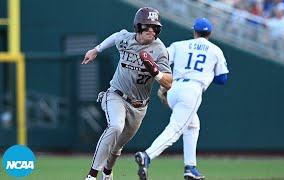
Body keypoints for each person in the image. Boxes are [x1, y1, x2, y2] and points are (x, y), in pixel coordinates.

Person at [82, 7, 172, 180]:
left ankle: (107, 172)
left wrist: (155, 71)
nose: (152, 30)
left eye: (155, 27)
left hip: (139, 106)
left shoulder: (160, 49)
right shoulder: (126, 39)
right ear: (138, 26)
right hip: (117, 95)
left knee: (117, 147)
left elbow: (169, 81)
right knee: (115, 126)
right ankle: (92, 175)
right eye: (148, 26)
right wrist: (96, 50)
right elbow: (115, 36)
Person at [135, 18, 229, 180]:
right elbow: (222, 79)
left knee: (193, 125)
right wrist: (206, 73)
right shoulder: (215, 50)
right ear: (210, 33)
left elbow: (160, 59)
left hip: (173, 88)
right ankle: (147, 156)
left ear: (194, 31)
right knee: (176, 128)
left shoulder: (180, 45)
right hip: (192, 90)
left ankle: (190, 168)